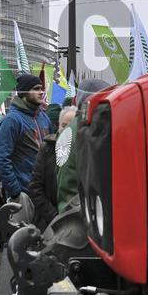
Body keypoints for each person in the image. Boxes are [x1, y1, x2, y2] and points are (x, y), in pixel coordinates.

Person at [55, 79, 109, 213]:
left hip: (81, 209)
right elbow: (67, 182)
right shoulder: (81, 130)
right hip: (81, 213)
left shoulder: (80, 128)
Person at [0, 74, 50, 202]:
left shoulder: (44, 118)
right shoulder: (12, 120)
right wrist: (16, 192)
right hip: (24, 195)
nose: (41, 92)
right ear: (24, 92)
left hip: (45, 194)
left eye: (41, 88)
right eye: (36, 89)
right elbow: (1, 159)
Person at [29, 106, 74, 231]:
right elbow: (35, 187)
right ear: (58, 126)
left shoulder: (84, 151)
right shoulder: (47, 149)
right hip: (48, 222)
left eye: (72, 126)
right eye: (64, 125)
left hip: (76, 223)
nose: (67, 130)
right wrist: (54, 216)